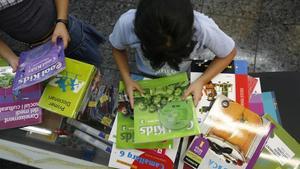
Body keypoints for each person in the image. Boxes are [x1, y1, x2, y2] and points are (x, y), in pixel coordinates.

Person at [109, 0, 237, 108]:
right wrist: (127, 78)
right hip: (144, 72)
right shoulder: (126, 24)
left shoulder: (204, 30)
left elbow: (229, 53)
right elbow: (117, 48)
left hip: (182, 74)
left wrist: (201, 81)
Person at [0, 0, 104, 72]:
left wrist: (61, 21)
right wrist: (11, 57)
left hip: (67, 31)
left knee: (92, 66)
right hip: (36, 50)